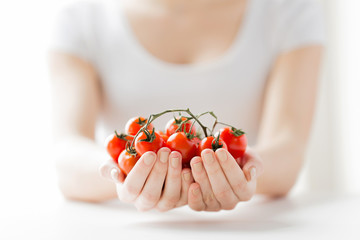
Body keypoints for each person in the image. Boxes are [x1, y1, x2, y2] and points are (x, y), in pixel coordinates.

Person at [49, 0, 325, 211]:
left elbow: (289, 148)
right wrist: (120, 173)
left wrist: (241, 173)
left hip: (247, 225)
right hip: (126, 227)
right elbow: (66, 154)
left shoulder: (290, 8)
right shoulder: (81, 14)